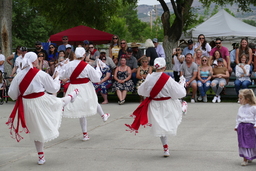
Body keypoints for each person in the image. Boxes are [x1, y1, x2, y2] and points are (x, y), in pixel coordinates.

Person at [6, 52, 79, 165]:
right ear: (35, 61)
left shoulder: (18, 76)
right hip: (40, 99)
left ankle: (41, 156)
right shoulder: (40, 74)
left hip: (27, 104)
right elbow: (53, 88)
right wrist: (57, 77)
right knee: (58, 103)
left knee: (36, 129)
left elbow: (12, 94)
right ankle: (71, 96)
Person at [125, 58, 186, 157]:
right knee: (173, 117)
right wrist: (182, 84)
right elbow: (181, 93)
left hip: (154, 105)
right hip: (167, 104)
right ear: (165, 67)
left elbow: (141, 91)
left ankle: (165, 148)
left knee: (160, 127)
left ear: (154, 66)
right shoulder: (168, 79)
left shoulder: (149, 78)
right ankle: (183, 108)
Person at [62, 47, 109, 141]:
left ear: (75, 55)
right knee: (93, 101)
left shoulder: (69, 65)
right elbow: (96, 79)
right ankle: (103, 115)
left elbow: (63, 76)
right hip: (85, 87)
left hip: (74, 87)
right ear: (84, 55)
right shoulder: (87, 66)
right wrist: (98, 69)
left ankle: (85, 134)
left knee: (81, 112)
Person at [234, 89, 256, 166]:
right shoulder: (241, 108)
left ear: (247, 99)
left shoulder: (254, 108)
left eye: (240, 98)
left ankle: (251, 156)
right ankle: (245, 158)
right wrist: (237, 126)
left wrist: (255, 125)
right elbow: (238, 118)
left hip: (251, 127)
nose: (239, 100)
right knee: (243, 143)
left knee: (252, 143)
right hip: (242, 127)